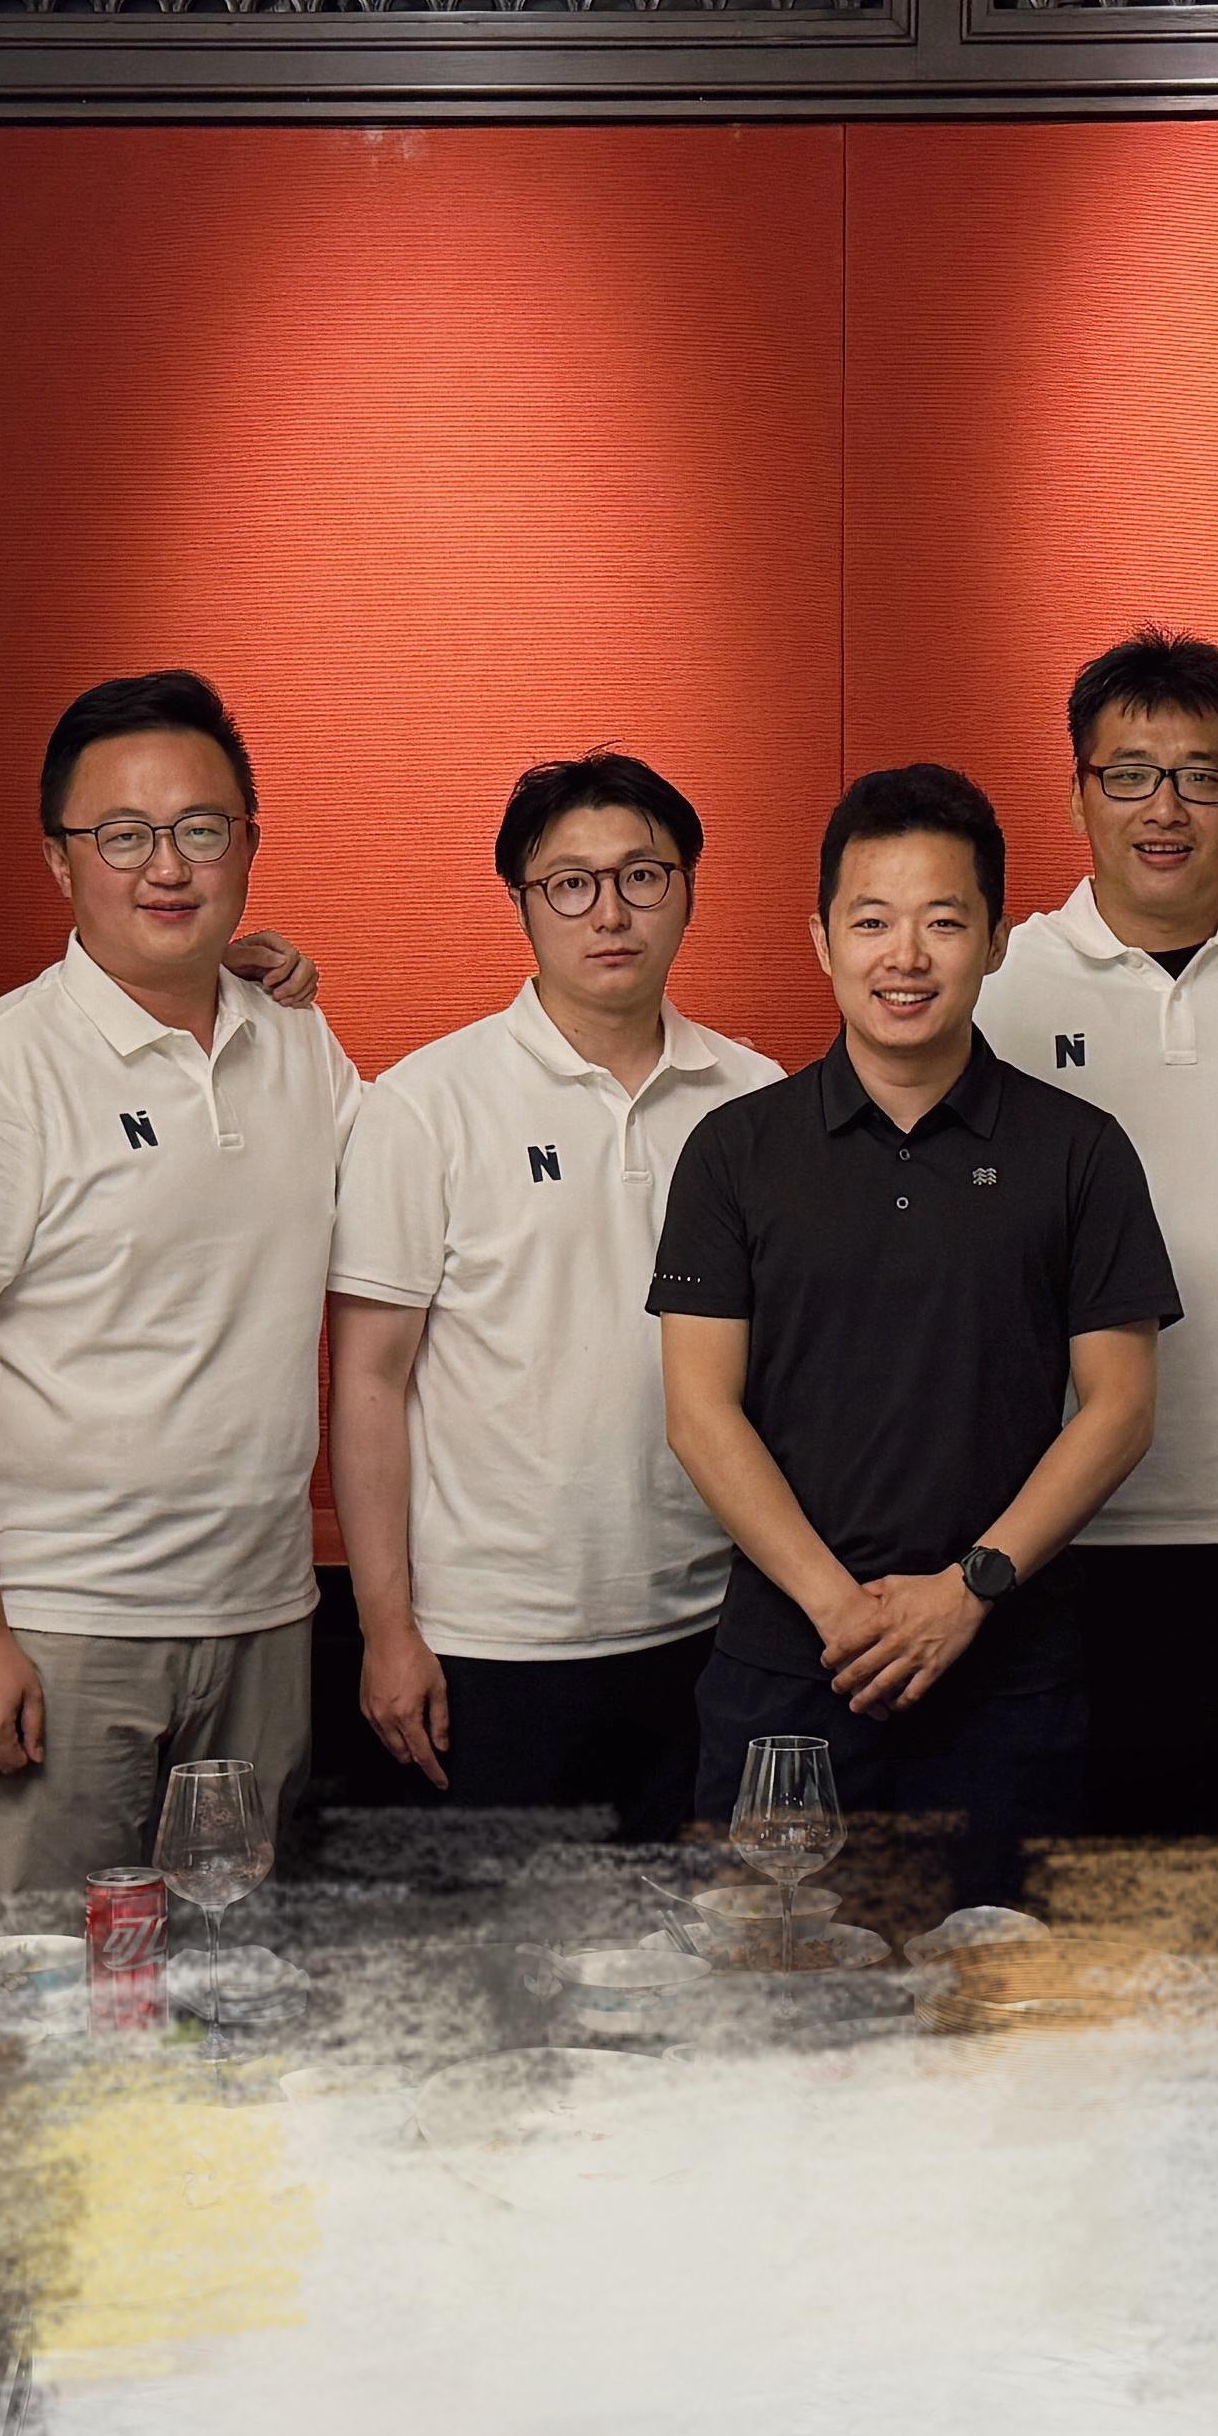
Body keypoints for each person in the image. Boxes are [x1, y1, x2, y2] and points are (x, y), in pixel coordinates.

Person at [651, 764, 1179, 1905]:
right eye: (870, 921)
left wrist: (968, 1590)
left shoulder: (1078, 1150)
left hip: (1007, 1675)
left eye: (943, 921)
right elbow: (698, 1410)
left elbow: (1122, 1405)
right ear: (820, 939)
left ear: (995, 941)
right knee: (774, 1986)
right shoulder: (733, 1151)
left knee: (994, 1997)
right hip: (790, 1673)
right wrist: (841, 1611)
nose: (905, 956)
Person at [0, 671, 355, 1914]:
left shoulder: (296, 1040)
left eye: (201, 828)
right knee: (54, 1991)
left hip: (263, 1613)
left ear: (247, 843)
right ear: (58, 859)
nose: (168, 866)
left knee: (229, 1983)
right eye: (123, 835)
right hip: (63, 1625)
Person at [330, 750, 770, 1840]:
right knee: (514, 1943)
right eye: (569, 883)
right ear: (521, 902)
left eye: (642, 875)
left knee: (701, 1934)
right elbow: (369, 1381)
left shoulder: (754, 1099)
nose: (608, 913)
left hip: (713, 1621)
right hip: (490, 1638)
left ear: (688, 889)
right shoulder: (427, 1103)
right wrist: (385, 1629)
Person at [974, 632, 1218, 1832]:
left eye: (1200, 776)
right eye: (1129, 774)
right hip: (1043, 1534)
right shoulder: (993, 989)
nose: (1164, 808)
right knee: (1051, 1903)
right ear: (1077, 792)